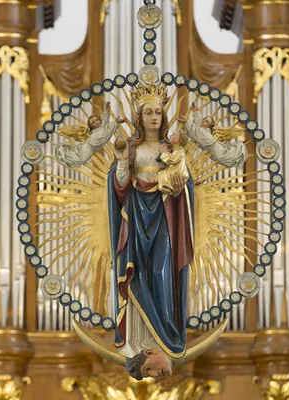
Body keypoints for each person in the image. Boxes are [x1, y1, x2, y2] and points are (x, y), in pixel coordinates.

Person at [108, 84, 194, 380]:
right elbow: (119, 187)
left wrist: (181, 188)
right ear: (139, 117)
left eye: (158, 111)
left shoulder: (172, 149)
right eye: (148, 112)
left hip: (165, 216)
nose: (154, 117)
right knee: (138, 272)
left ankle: (166, 326)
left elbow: (184, 183)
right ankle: (143, 335)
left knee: (162, 271)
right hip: (135, 217)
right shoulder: (133, 149)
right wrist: (121, 161)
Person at [177, 101, 247, 168]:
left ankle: (238, 153)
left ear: (209, 126)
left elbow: (197, 131)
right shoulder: (203, 131)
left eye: (206, 121)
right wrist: (196, 112)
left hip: (219, 150)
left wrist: (187, 121)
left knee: (227, 156)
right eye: (204, 119)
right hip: (214, 151)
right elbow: (198, 128)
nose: (203, 120)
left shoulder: (207, 136)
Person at [55, 102, 124, 168]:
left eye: (97, 120)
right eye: (93, 122)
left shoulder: (99, 130)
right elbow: (105, 131)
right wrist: (115, 122)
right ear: (91, 126)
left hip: (88, 149)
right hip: (86, 149)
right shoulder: (95, 133)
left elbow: (103, 126)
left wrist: (107, 112)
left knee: (76, 157)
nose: (96, 122)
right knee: (73, 156)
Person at [156, 129, 189, 195]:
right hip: (174, 171)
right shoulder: (176, 150)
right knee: (164, 174)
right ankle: (166, 186)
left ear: (178, 140)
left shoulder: (179, 151)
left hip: (177, 173)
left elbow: (171, 160)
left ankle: (167, 187)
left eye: (173, 134)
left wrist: (164, 152)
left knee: (163, 174)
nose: (170, 135)